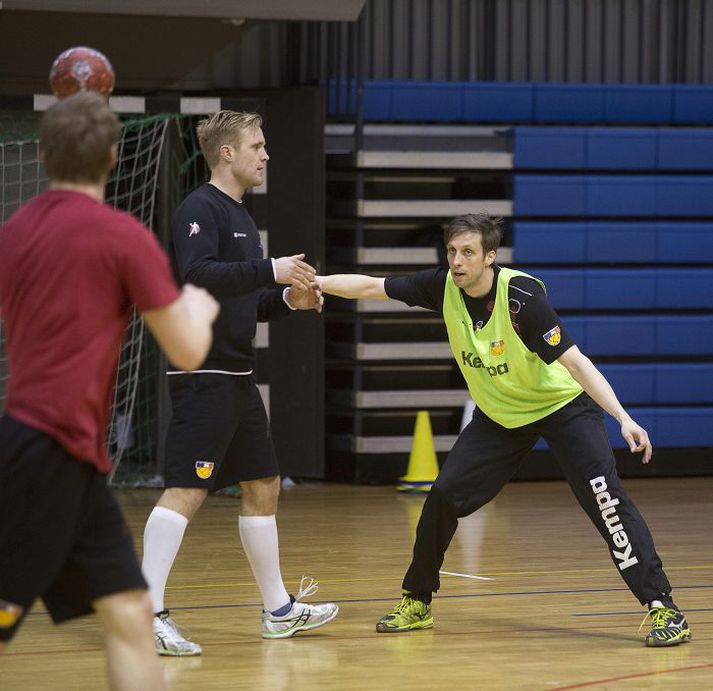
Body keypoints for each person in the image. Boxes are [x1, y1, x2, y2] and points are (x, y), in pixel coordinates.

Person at [315, 212, 691, 648]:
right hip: (500, 416)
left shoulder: (522, 299)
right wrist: (317, 283)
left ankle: (663, 606)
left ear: (490, 257)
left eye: (468, 252)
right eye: (452, 251)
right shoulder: (441, 287)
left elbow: (576, 362)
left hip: (561, 406)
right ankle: (417, 601)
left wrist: (623, 418)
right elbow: (370, 286)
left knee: (605, 499)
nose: (457, 261)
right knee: (442, 497)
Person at [0, 92, 220, 691]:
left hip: (64, 453)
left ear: (44, 154)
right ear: (114, 155)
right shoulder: (120, 236)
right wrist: (197, 307)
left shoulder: (14, 232)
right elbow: (188, 350)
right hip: (50, 448)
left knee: (129, 611)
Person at [141, 110, 338, 656]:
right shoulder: (198, 209)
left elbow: (245, 295)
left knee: (263, 484)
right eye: (257, 145)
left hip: (237, 377)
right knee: (188, 487)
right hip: (202, 373)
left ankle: (278, 611)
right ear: (227, 153)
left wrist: (287, 300)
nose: (266, 154)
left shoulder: (244, 219)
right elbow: (198, 275)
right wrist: (270, 271)